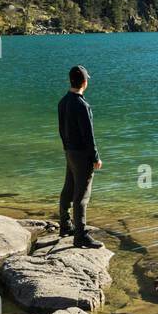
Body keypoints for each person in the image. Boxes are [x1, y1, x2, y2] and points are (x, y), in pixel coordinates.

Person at [58, 64, 103, 248]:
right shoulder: (82, 105)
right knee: (82, 196)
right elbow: (88, 136)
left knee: (68, 188)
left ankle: (65, 224)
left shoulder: (63, 102)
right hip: (82, 155)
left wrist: (67, 149)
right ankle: (80, 235)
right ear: (84, 82)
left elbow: (61, 129)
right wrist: (95, 157)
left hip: (69, 151)